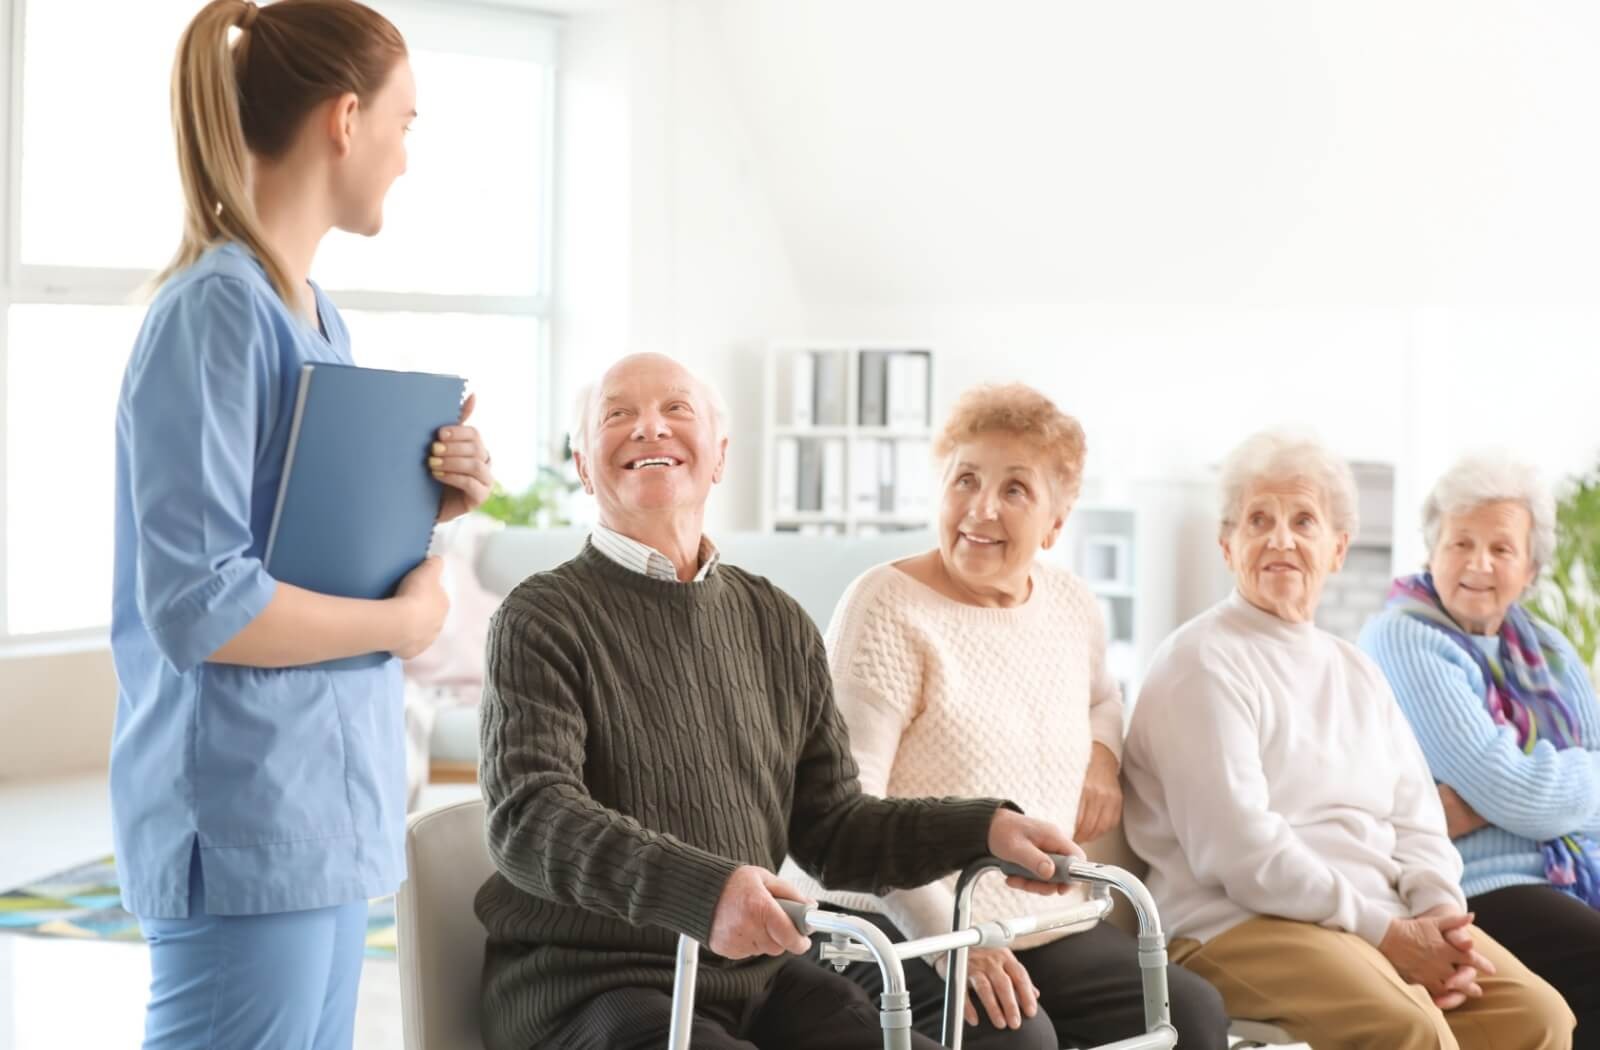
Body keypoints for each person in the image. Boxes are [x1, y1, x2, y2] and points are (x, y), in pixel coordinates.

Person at [476, 354, 1083, 1050]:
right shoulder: (541, 618)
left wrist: (983, 831)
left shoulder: (776, 619)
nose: (649, 427)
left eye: (676, 410)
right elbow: (531, 817)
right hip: (592, 990)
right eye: (618, 415)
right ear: (585, 465)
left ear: (719, 456)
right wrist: (709, 894)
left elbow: (833, 829)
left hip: (757, 979)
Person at [110, 3, 492, 1047]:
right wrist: (404, 627)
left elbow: (312, 550)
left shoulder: (316, 314)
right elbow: (203, 607)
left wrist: (430, 505)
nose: (408, 158)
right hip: (245, 817)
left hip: (319, 812)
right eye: (406, 125)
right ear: (345, 118)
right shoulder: (216, 311)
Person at [782, 383, 1228, 1050]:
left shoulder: (1071, 604)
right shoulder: (886, 608)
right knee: (1017, 1041)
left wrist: (1103, 759)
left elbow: (1104, 697)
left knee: (1191, 1014)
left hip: (1037, 927)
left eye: (1015, 490)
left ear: (1055, 520)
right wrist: (951, 948)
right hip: (884, 927)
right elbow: (847, 814)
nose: (981, 509)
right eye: (965, 480)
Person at [1121, 428, 1574, 1050]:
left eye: (1303, 520)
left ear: (1336, 549)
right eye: (1260, 519)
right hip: (1239, 925)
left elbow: (1417, 822)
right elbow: (1242, 854)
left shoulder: (1353, 667)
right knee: (1410, 1029)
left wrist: (1440, 916)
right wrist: (1387, 934)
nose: (1281, 538)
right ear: (1229, 545)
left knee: (1538, 1017)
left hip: (1372, 919)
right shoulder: (1200, 663)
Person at [1361, 453, 1600, 1046]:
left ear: (1530, 568)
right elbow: (1509, 788)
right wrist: (1526, 794)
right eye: (1460, 542)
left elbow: (1510, 788)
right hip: (1472, 886)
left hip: (1568, 873)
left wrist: (1484, 803)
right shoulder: (1404, 636)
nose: (1477, 564)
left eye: (1500, 549)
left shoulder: (1548, 646)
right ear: (1432, 549)